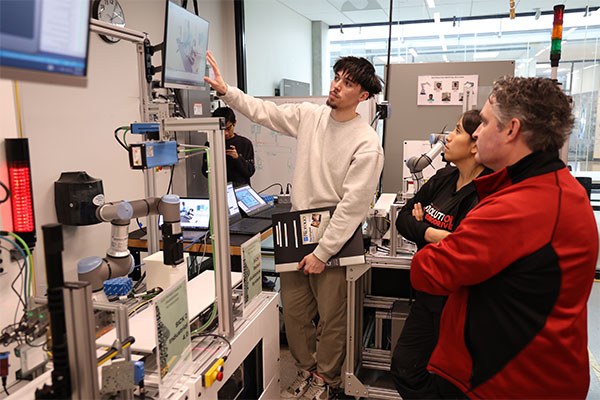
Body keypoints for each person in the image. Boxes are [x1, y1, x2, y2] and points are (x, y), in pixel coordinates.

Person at [205, 51, 384, 400]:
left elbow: (353, 206)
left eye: (348, 82)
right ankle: (306, 369)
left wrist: (323, 251)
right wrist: (227, 91)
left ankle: (326, 381)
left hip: (335, 235)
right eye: (337, 77)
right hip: (297, 229)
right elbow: (264, 111)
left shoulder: (367, 143)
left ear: (363, 96)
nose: (337, 85)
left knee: (332, 318)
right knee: (296, 311)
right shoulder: (310, 116)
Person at [410, 76, 598, 398]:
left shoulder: (519, 207)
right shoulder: (560, 188)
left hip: (503, 381)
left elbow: (427, 271)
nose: (477, 132)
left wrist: (433, 240)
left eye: (484, 122)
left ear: (511, 129)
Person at [390, 110, 490, 398]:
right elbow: (404, 218)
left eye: (457, 131)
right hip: (427, 298)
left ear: (474, 144)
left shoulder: (483, 192)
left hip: (458, 304)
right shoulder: (445, 178)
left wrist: (422, 227)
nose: (447, 137)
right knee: (405, 367)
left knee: (453, 378)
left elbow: (461, 247)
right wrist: (430, 233)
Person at [202, 106, 255, 186]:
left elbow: (249, 171)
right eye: (222, 129)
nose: (226, 133)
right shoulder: (210, 144)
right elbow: (205, 172)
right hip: (219, 189)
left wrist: (237, 158)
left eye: (228, 128)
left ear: (235, 123)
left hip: (240, 190)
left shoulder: (245, 143)